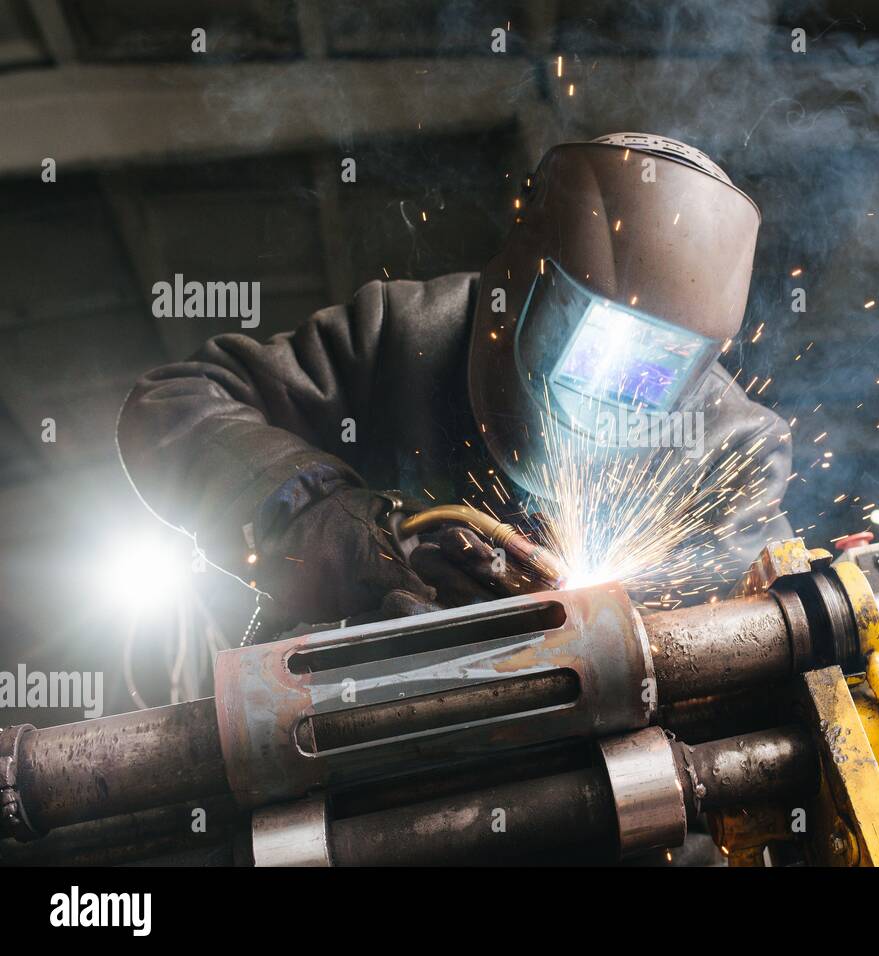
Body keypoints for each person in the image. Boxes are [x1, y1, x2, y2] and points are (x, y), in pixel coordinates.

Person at [116, 133, 793, 635]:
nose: (610, 389)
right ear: (528, 283)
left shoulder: (730, 451)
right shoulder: (402, 333)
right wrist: (337, 527)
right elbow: (173, 406)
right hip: (356, 729)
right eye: (596, 346)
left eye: (654, 367)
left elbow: (739, 633)